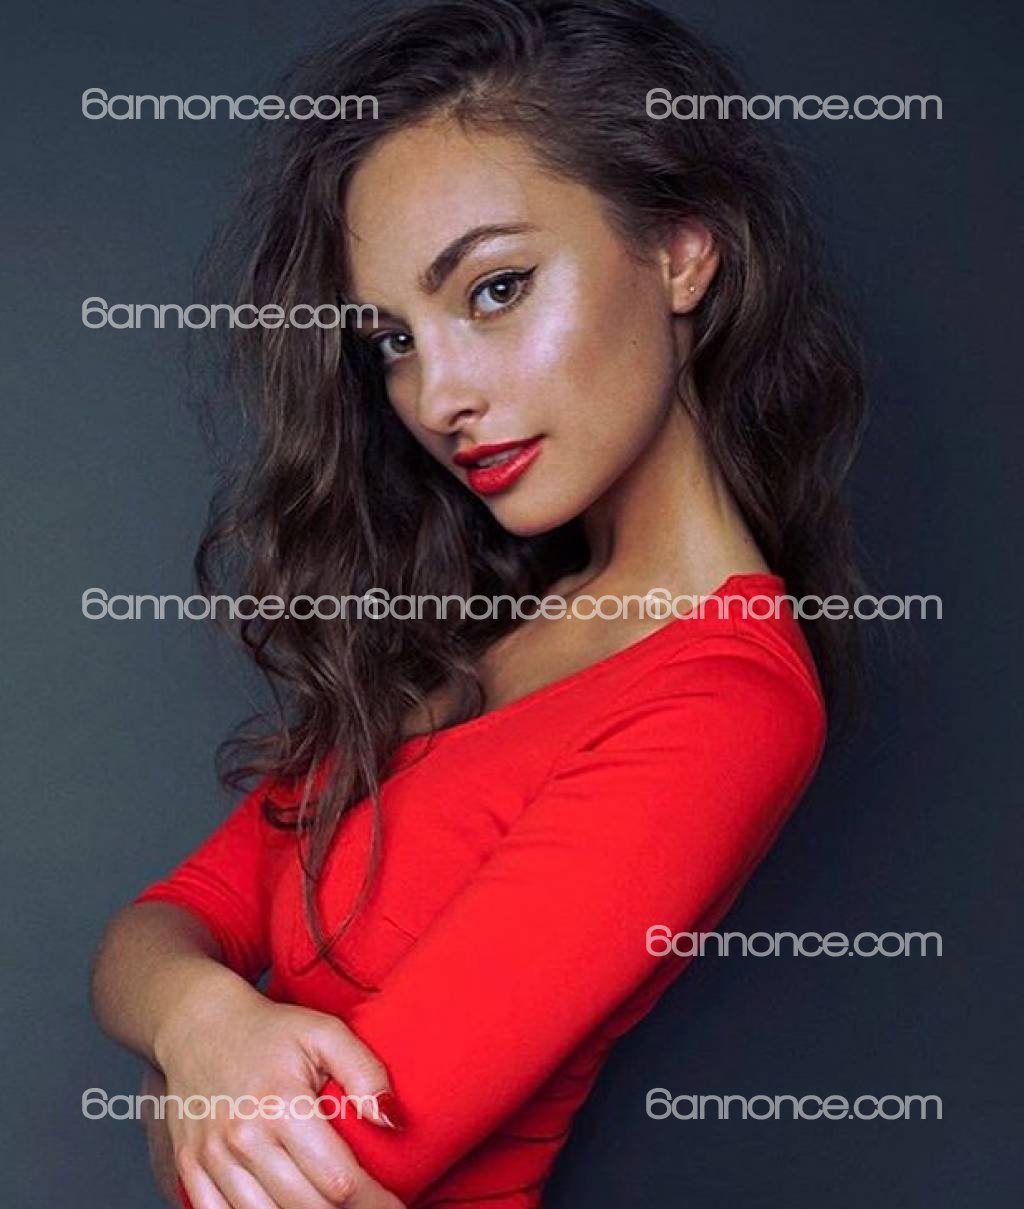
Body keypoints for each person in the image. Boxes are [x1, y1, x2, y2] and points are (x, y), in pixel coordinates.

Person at [90, 1, 866, 1206]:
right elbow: (164, 923)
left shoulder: (723, 702)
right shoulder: (471, 634)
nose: (436, 395)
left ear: (679, 253)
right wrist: (199, 1023)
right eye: (391, 339)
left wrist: (186, 1078)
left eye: (495, 289)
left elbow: (311, 1172)